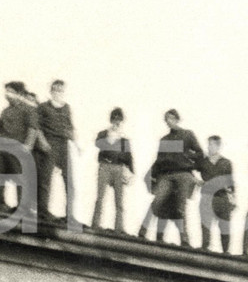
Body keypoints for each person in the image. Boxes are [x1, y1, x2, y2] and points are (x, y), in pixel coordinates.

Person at [141, 109, 204, 246]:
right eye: (166, 119)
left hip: (183, 174)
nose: (168, 121)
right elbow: (159, 160)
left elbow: (200, 153)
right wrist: (152, 176)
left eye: (171, 118)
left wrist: (189, 161)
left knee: (180, 207)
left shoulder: (187, 134)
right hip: (167, 174)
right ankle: (142, 231)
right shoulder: (164, 139)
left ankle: (184, 239)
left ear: (176, 119)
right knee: (157, 201)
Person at [0, 81, 40, 211]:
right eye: (6, 91)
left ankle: (22, 208)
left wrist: (28, 146)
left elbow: (33, 129)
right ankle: (1, 204)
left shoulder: (28, 110)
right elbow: (0, 130)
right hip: (2, 148)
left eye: (11, 91)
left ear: (19, 94)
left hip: (17, 149)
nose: (7, 94)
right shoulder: (5, 111)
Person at [36, 80, 77, 223]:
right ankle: (42, 211)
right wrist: (43, 141)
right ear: (51, 91)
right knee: (45, 178)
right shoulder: (43, 107)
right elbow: (37, 127)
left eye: (61, 90)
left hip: (64, 144)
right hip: (50, 142)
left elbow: (70, 127)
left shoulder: (66, 108)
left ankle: (69, 215)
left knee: (69, 179)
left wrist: (76, 143)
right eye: (56, 89)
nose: (58, 92)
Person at [91, 108, 134, 232]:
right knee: (100, 198)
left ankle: (119, 228)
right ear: (111, 120)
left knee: (119, 201)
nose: (117, 122)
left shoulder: (124, 138)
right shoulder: (104, 134)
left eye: (119, 119)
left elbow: (128, 157)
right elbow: (97, 143)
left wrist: (131, 172)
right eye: (115, 119)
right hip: (105, 166)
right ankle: (95, 224)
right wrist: (110, 136)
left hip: (119, 168)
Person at [197, 135, 235, 253]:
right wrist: (197, 181)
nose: (209, 147)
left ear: (218, 146)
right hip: (207, 197)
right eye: (208, 144)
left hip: (222, 198)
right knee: (205, 225)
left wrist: (233, 199)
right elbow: (189, 168)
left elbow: (231, 184)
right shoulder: (203, 162)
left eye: (211, 144)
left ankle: (225, 252)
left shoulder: (226, 162)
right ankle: (204, 249)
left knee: (225, 226)